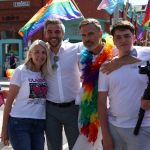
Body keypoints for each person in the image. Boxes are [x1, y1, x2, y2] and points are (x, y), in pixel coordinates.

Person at [98, 20, 150, 150]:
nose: (123, 40)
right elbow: (101, 102)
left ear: (134, 37)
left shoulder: (147, 55)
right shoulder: (106, 67)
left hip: (142, 127)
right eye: (118, 37)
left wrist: (121, 61)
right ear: (114, 41)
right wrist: (105, 135)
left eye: (127, 36)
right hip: (114, 127)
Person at [1, 40, 52, 150]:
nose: (40, 55)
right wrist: (4, 129)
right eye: (37, 52)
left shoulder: (46, 73)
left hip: (39, 123)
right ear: (30, 54)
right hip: (19, 122)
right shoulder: (21, 71)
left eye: (43, 52)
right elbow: (9, 101)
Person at [73, 18, 113, 150]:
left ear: (100, 33)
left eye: (90, 34)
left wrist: (120, 62)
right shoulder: (83, 57)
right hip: (86, 111)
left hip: (109, 112)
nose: (87, 39)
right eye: (83, 35)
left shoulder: (114, 53)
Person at [44, 18, 83, 150]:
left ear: (63, 33)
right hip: (50, 110)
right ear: (45, 34)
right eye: (50, 32)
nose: (53, 35)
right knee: (53, 147)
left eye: (57, 31)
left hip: (73, 109)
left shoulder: (76, 48)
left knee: (77, 147)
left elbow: (99, 48)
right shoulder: (41, 52)